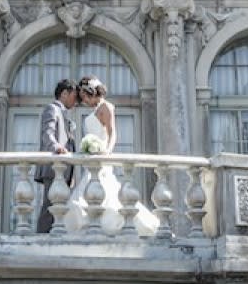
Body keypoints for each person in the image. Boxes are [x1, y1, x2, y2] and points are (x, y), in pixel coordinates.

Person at [63, 76, 160, 237]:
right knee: (88, 194)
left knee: (101, 193)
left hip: (102, 157)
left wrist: (107, 150)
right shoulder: (95, 110)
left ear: (91, 92)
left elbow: (112, 132)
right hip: (92, 159)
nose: (84, 101)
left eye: (84, 96)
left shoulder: (106, 107)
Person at [35, 78, 77, 233]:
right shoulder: (52, 109)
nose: (76, 101)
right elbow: (48, 133)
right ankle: (41, 238)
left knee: (57, 207)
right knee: (49, 207)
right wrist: (56, 147)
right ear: (64, 93)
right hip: (53, 168)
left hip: (63, 170)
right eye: (74, 96)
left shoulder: (65, 114)